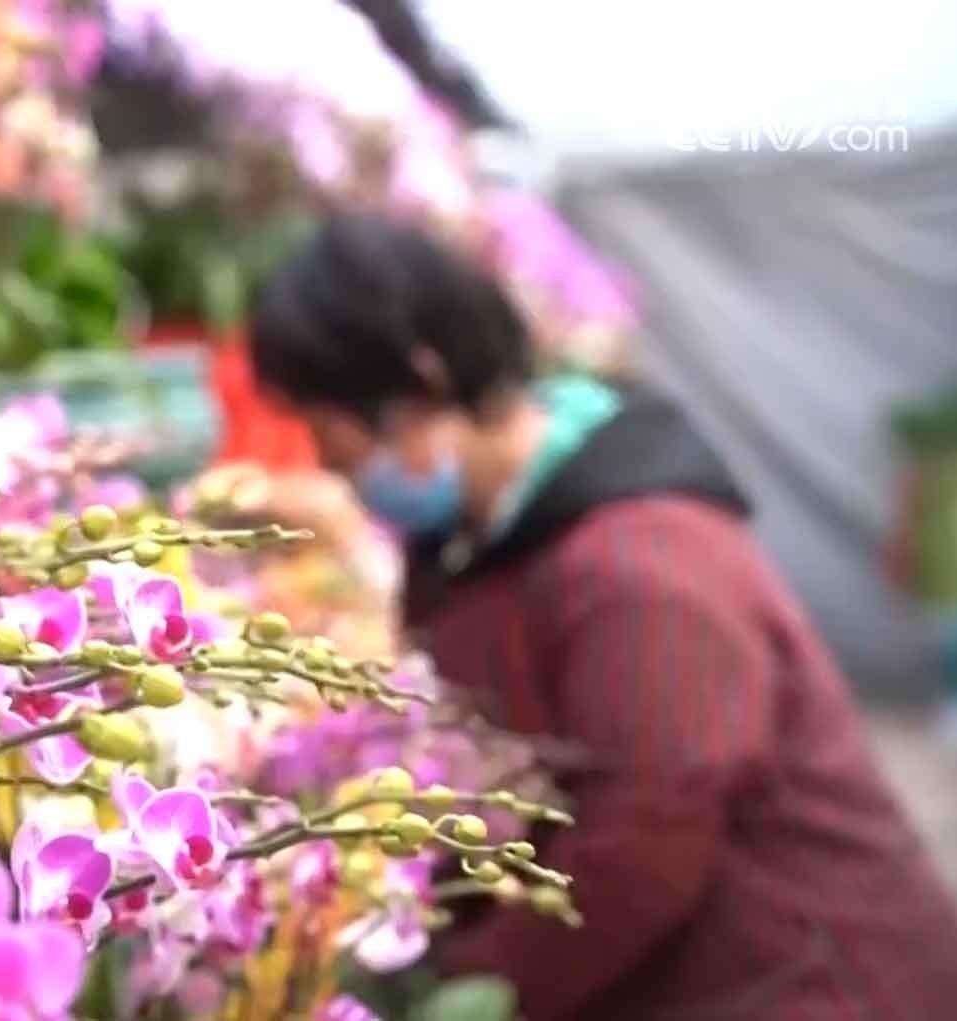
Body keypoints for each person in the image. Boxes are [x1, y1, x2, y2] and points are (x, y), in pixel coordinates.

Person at [249, 210, 957, 1020]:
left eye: (330, 432)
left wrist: (464, 987)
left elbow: (649, 832)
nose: (329, 464)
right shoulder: (476, 543)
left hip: (815, 983)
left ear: (421, 381)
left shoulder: (642, 562)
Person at [886, 384, 957, 746]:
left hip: (940, 567)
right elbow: (906, 521)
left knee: (947, 638)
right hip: (940, 568)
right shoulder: (924, 468)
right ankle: (950, 711)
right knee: (946, 639)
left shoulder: (925, 469)